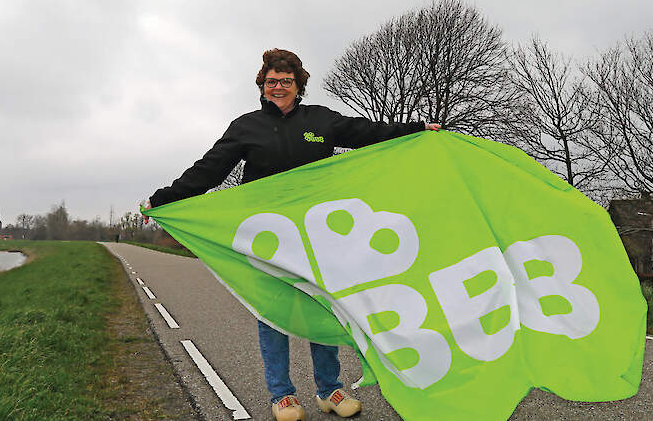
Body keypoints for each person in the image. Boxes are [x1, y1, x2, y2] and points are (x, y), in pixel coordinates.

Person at [145, 48, 439, 421]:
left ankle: (329, 390)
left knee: (323, 310)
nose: (279, 86)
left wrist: (416, 130)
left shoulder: (322, 120)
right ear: (262, 86)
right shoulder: (245, 127)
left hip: (318, 239)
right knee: (272, 314)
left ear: (299, 85)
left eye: (286, 80)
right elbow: (209, 170)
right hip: (266, 239)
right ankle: (282, 396)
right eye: (272, 81)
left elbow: (370, 133)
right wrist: (164, 198)